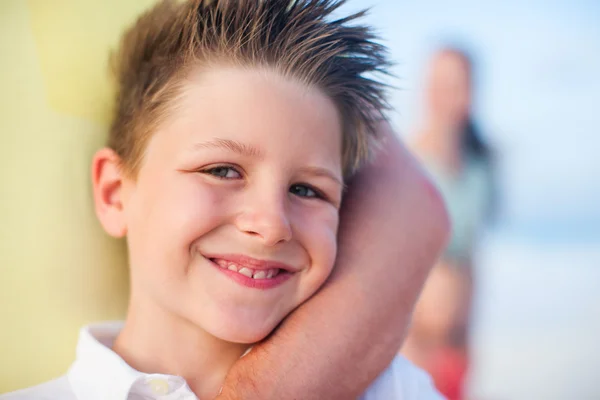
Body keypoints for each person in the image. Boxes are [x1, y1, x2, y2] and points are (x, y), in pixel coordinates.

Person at [1, 1, 450, 399]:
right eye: (221, 170)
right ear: (115, 194)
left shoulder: (395, 389)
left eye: (307, 190)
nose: (272, 224)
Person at [402, 47, 495, 400]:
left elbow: (471, 259)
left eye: (454, 84)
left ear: (471, 92)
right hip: (411, 350)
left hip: (455, 350)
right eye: (436, 83)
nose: (442, 94)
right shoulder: (405, 165)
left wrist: (467, 340)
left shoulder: (480, 169)